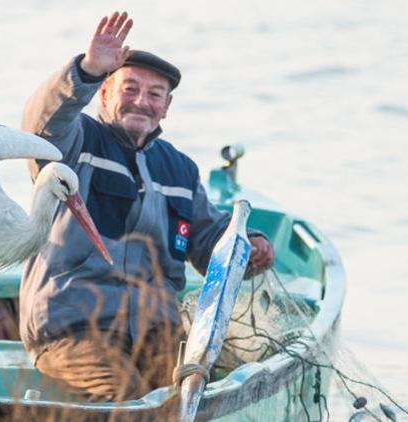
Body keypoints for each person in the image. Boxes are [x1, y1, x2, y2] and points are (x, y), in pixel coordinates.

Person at [19, 11, 274, 402]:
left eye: (154, 94)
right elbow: (41, 125)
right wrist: (86, 70)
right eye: (129, 88)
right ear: (104, 93)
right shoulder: (76, 142)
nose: (141, 101)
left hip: (157, 334)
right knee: (125, 397)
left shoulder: (180, 169)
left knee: (193, 396)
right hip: (75, 331)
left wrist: (251, 245)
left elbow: (208, 241)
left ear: (166, 107)